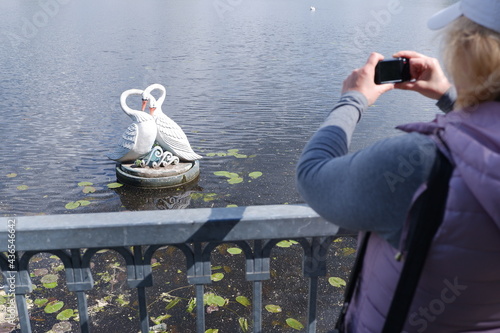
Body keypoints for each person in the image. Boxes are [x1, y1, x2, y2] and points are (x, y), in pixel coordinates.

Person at [296, 1, 500, 332]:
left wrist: (353, 99)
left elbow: (313, 176)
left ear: (471, 52)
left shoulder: (424, 164)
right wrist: (450, 96)